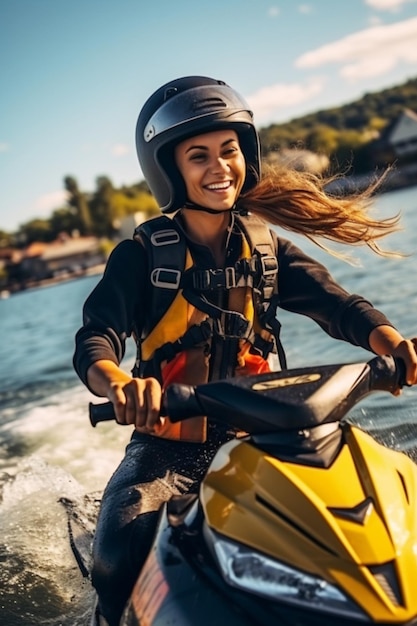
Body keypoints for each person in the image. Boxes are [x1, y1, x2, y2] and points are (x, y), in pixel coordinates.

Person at [73, 75, 417, 626]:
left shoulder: (266, 246)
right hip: (169, 452)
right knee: (117, 552)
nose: (219, 167)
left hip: (264, 433)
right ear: (170, 170)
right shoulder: (140, 257)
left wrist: (393, 344)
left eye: (229, 150)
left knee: (389, 489)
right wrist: (119, 384)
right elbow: (97, 338)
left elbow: (339, 305)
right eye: (199, 156)